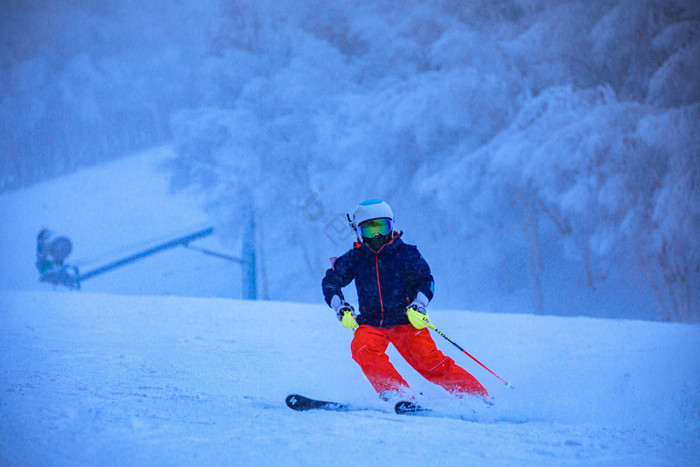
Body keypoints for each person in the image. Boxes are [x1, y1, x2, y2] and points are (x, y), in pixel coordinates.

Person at [322, 199, 488, 401]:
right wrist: (341, 307)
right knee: (362, 348)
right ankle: (396, 392)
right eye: (369, 229)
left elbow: (426, 281)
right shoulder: (355, 258)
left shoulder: (406, 253)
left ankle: (477, 397)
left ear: (392, 226)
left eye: (383, 227)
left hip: (406, 322)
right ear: (357, 231)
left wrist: (419, 305)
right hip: (372, 323)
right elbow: (331, 282)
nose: (377, 235)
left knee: (430, 363)